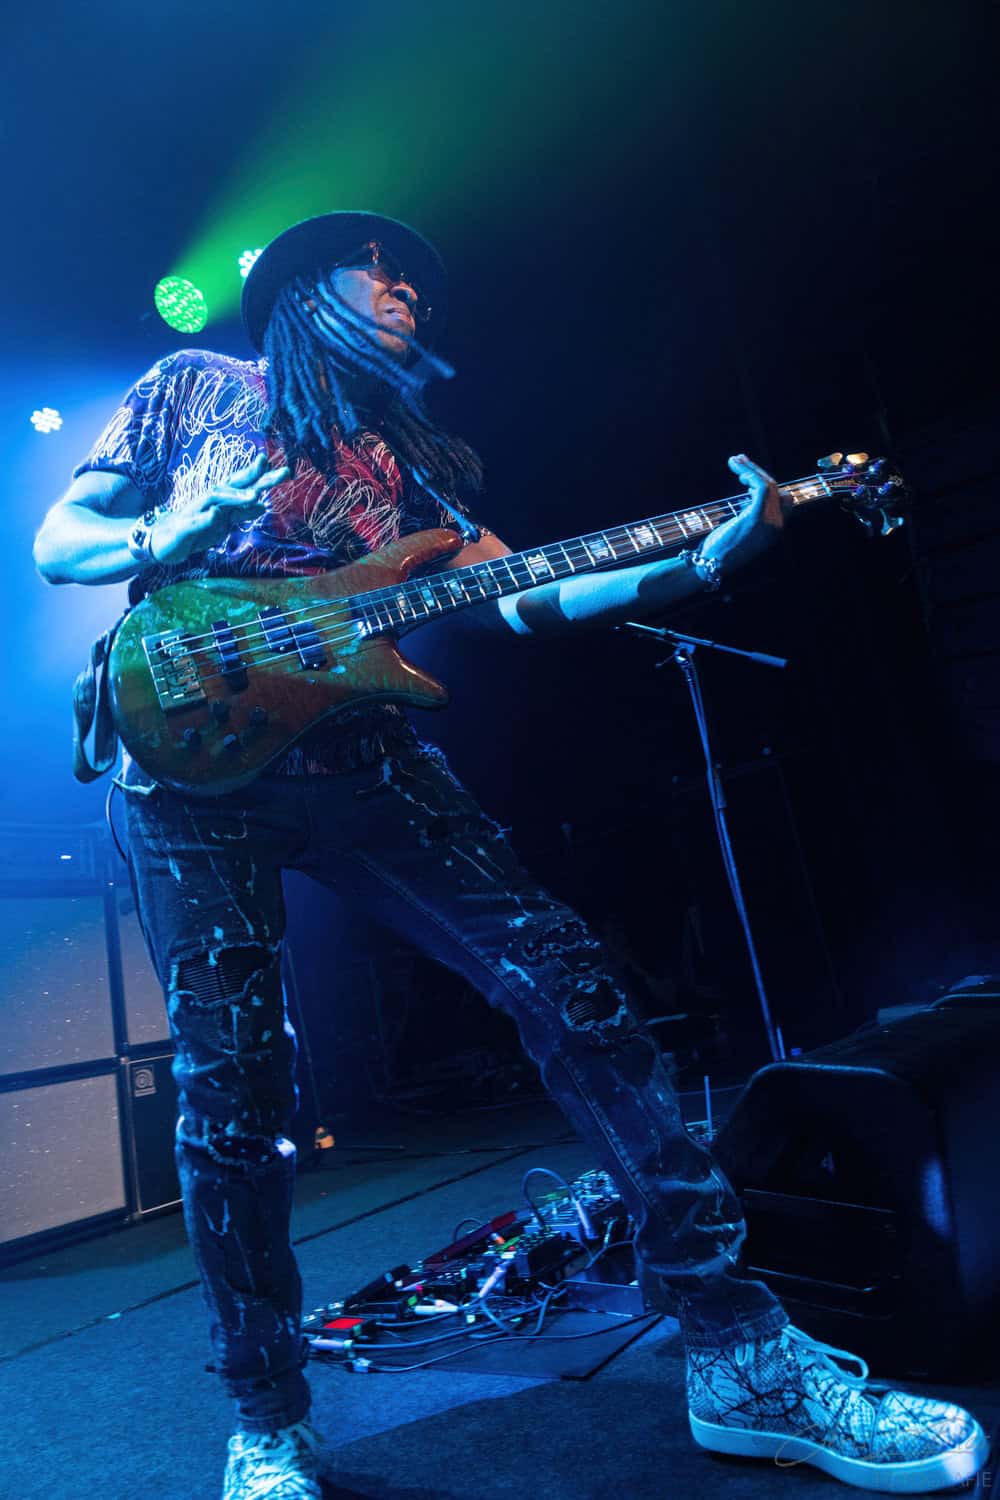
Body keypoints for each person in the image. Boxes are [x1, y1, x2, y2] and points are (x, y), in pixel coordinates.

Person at [33, 212, 986, 1500]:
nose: (408, 293)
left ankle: (740, 1355)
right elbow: (61, 544)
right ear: (306, 291)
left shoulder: (412, 470)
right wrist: (167, 538)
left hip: (364, 763)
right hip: (189, 772)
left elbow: (530, 594)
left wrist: (697, 565)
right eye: (381, 273)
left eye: (416, 284)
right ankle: (266, 1420)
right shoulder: (198, 385)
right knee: (233, 1103)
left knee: (577, 995)